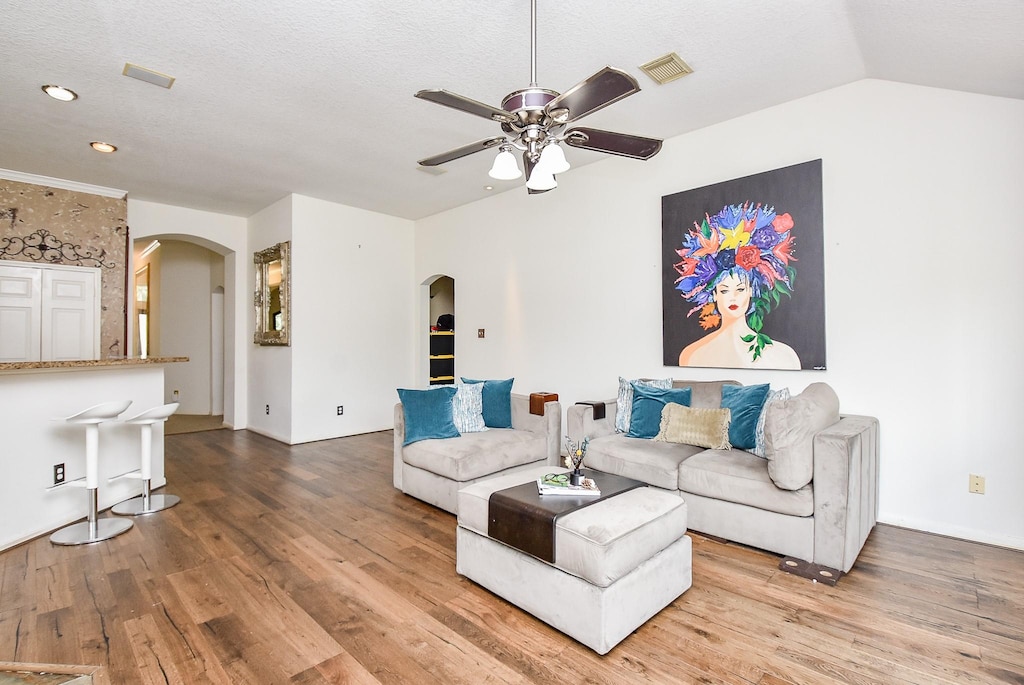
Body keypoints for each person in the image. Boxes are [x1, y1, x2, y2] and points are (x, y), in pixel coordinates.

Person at [673, 201, 800, 369]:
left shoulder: (784, 357)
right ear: (715, 294)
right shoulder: (692, 355)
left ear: (751, 291)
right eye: (724, 290)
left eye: (740, 289)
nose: (733, 297)